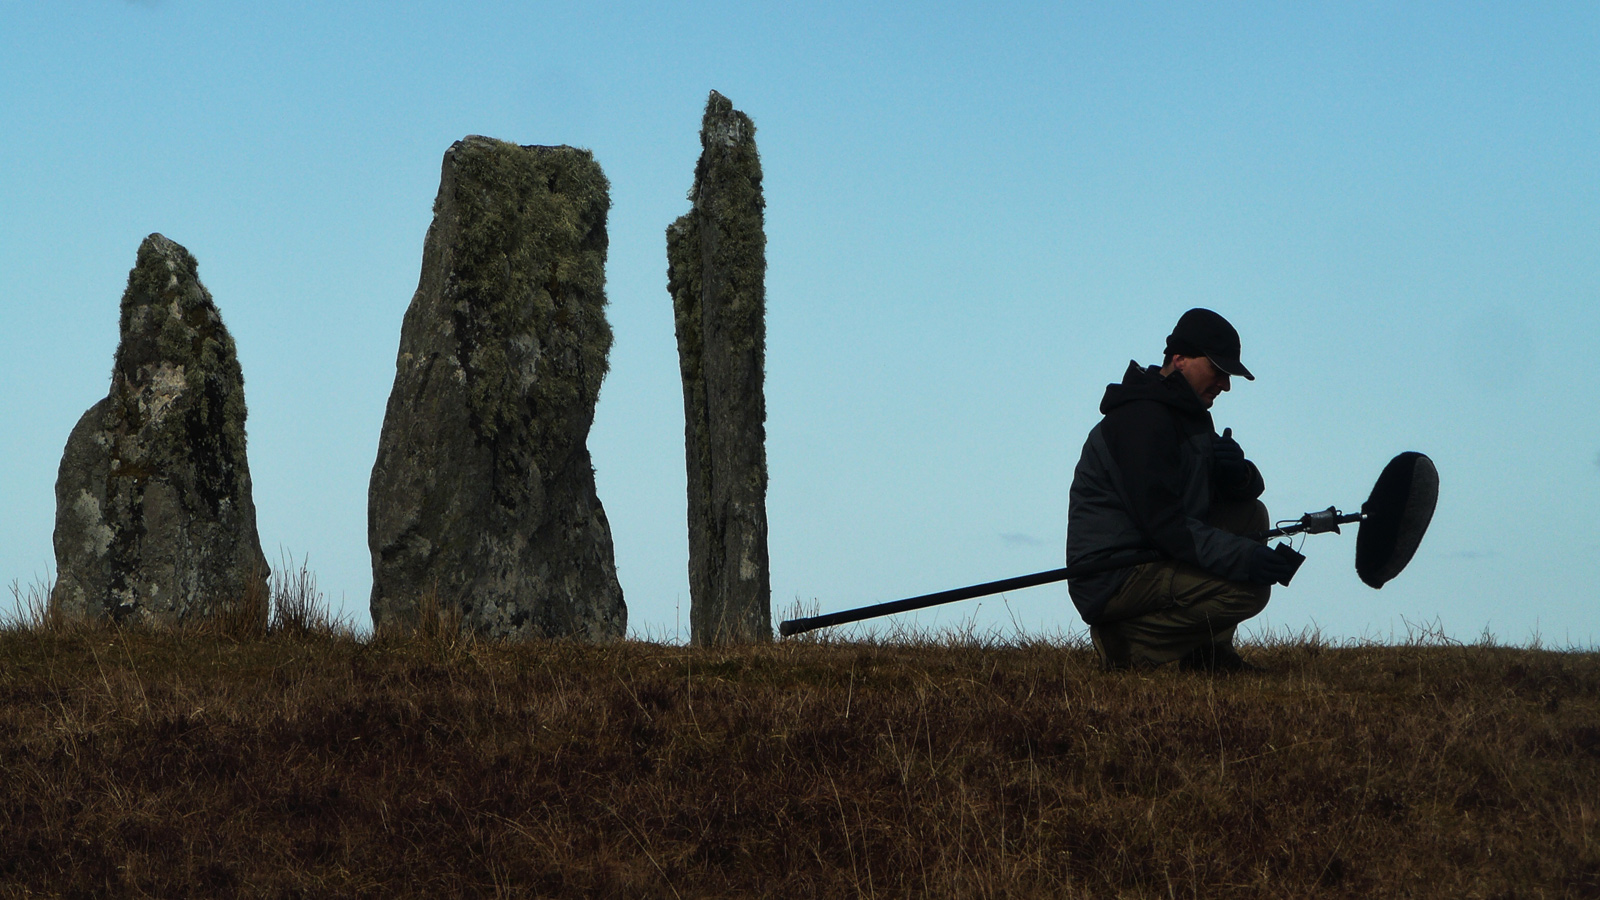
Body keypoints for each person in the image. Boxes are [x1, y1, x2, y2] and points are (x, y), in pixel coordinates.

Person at [1066, 308, 1295, 671]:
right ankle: (1124, 645)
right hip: (1114, 576)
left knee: (1252, 514)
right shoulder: (1141, 420)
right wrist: (1245, 558)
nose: (1226, 384)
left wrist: (1239, 476)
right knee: (1248, 591)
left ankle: (1208, 655)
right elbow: (1167, 526)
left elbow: (1199, 506)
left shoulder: (1186, 413)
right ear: (1180, 360)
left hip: (1157, 553)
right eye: (1218, 370)